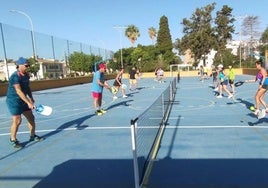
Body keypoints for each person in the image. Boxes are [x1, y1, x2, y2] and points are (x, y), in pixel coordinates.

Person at [6, 57, 43, 149]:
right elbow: (18, 91)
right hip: (14, 101)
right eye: (26, 65)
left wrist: (31, 98)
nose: (28, 67)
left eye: (28, 65)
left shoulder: (26, 75)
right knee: (17, 120)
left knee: (31, 117)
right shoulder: (15, 76)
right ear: (20, 65)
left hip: (24, 100)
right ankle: (13, 139)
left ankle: (32, 136)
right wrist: (29, 103)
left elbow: (27, 88)